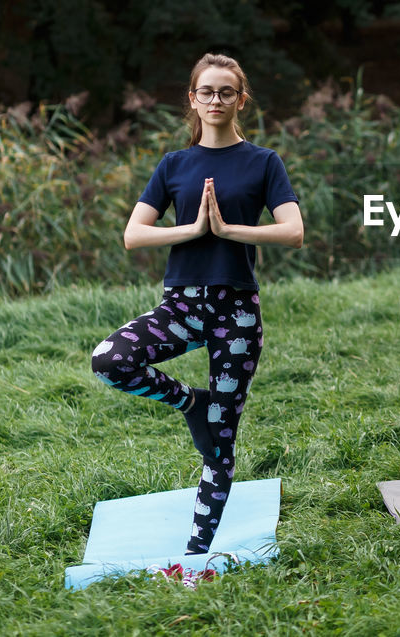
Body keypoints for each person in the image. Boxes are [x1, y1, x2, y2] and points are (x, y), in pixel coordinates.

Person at [90, 53, 303, 553]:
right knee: (109, 360)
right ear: (192, 99)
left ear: (240, 100)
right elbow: (133, 235)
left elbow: (293, 231)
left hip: (237, 314)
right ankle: (191, 402)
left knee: (220, 442)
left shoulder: (264, 162)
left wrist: (230, 230)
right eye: (205, 91)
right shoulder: (175, 165)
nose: (215, 100)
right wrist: (193, 229)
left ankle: (195, 554)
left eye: (226, 92)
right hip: (180, 308)